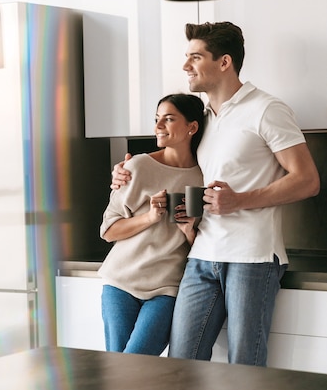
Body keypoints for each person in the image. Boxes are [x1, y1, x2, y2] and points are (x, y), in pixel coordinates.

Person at [111, 21, 320, 366]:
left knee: (244, 364)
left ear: (224, 62)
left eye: (195, 57)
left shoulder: (267, 109)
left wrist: (239, 200)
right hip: (202, 254)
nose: (185, 66)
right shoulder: (204, 119)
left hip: (251, 258)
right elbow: (170, 156)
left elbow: (307, 179)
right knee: (183, 362)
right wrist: (125, 170)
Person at [99, 93, 205, 356]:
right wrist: (149, 217)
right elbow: (108, 230)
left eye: (168, 119)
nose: (158, 127)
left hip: (166, 289)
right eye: (157, 119)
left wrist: (190, 231)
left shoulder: (204, 175)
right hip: (120, 282)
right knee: (121, 369)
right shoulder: (138, 166)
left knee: (136, 363)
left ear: (192, 127)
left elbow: (204, 245)